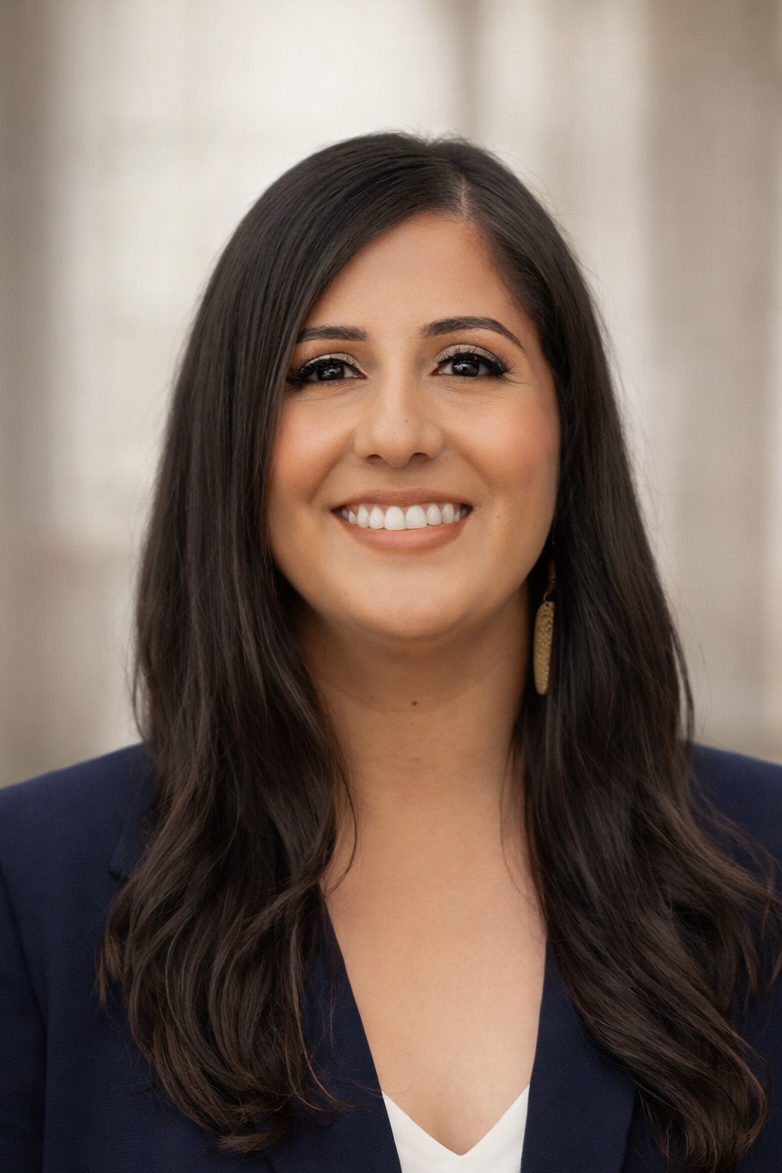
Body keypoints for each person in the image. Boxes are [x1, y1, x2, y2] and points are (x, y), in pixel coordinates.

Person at [1, 132, 781, 1173]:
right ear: (234, 440)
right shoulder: (27, 888)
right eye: (325, 370)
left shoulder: (765, 866)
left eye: (467, 363)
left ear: (566, 427)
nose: (398, 431)